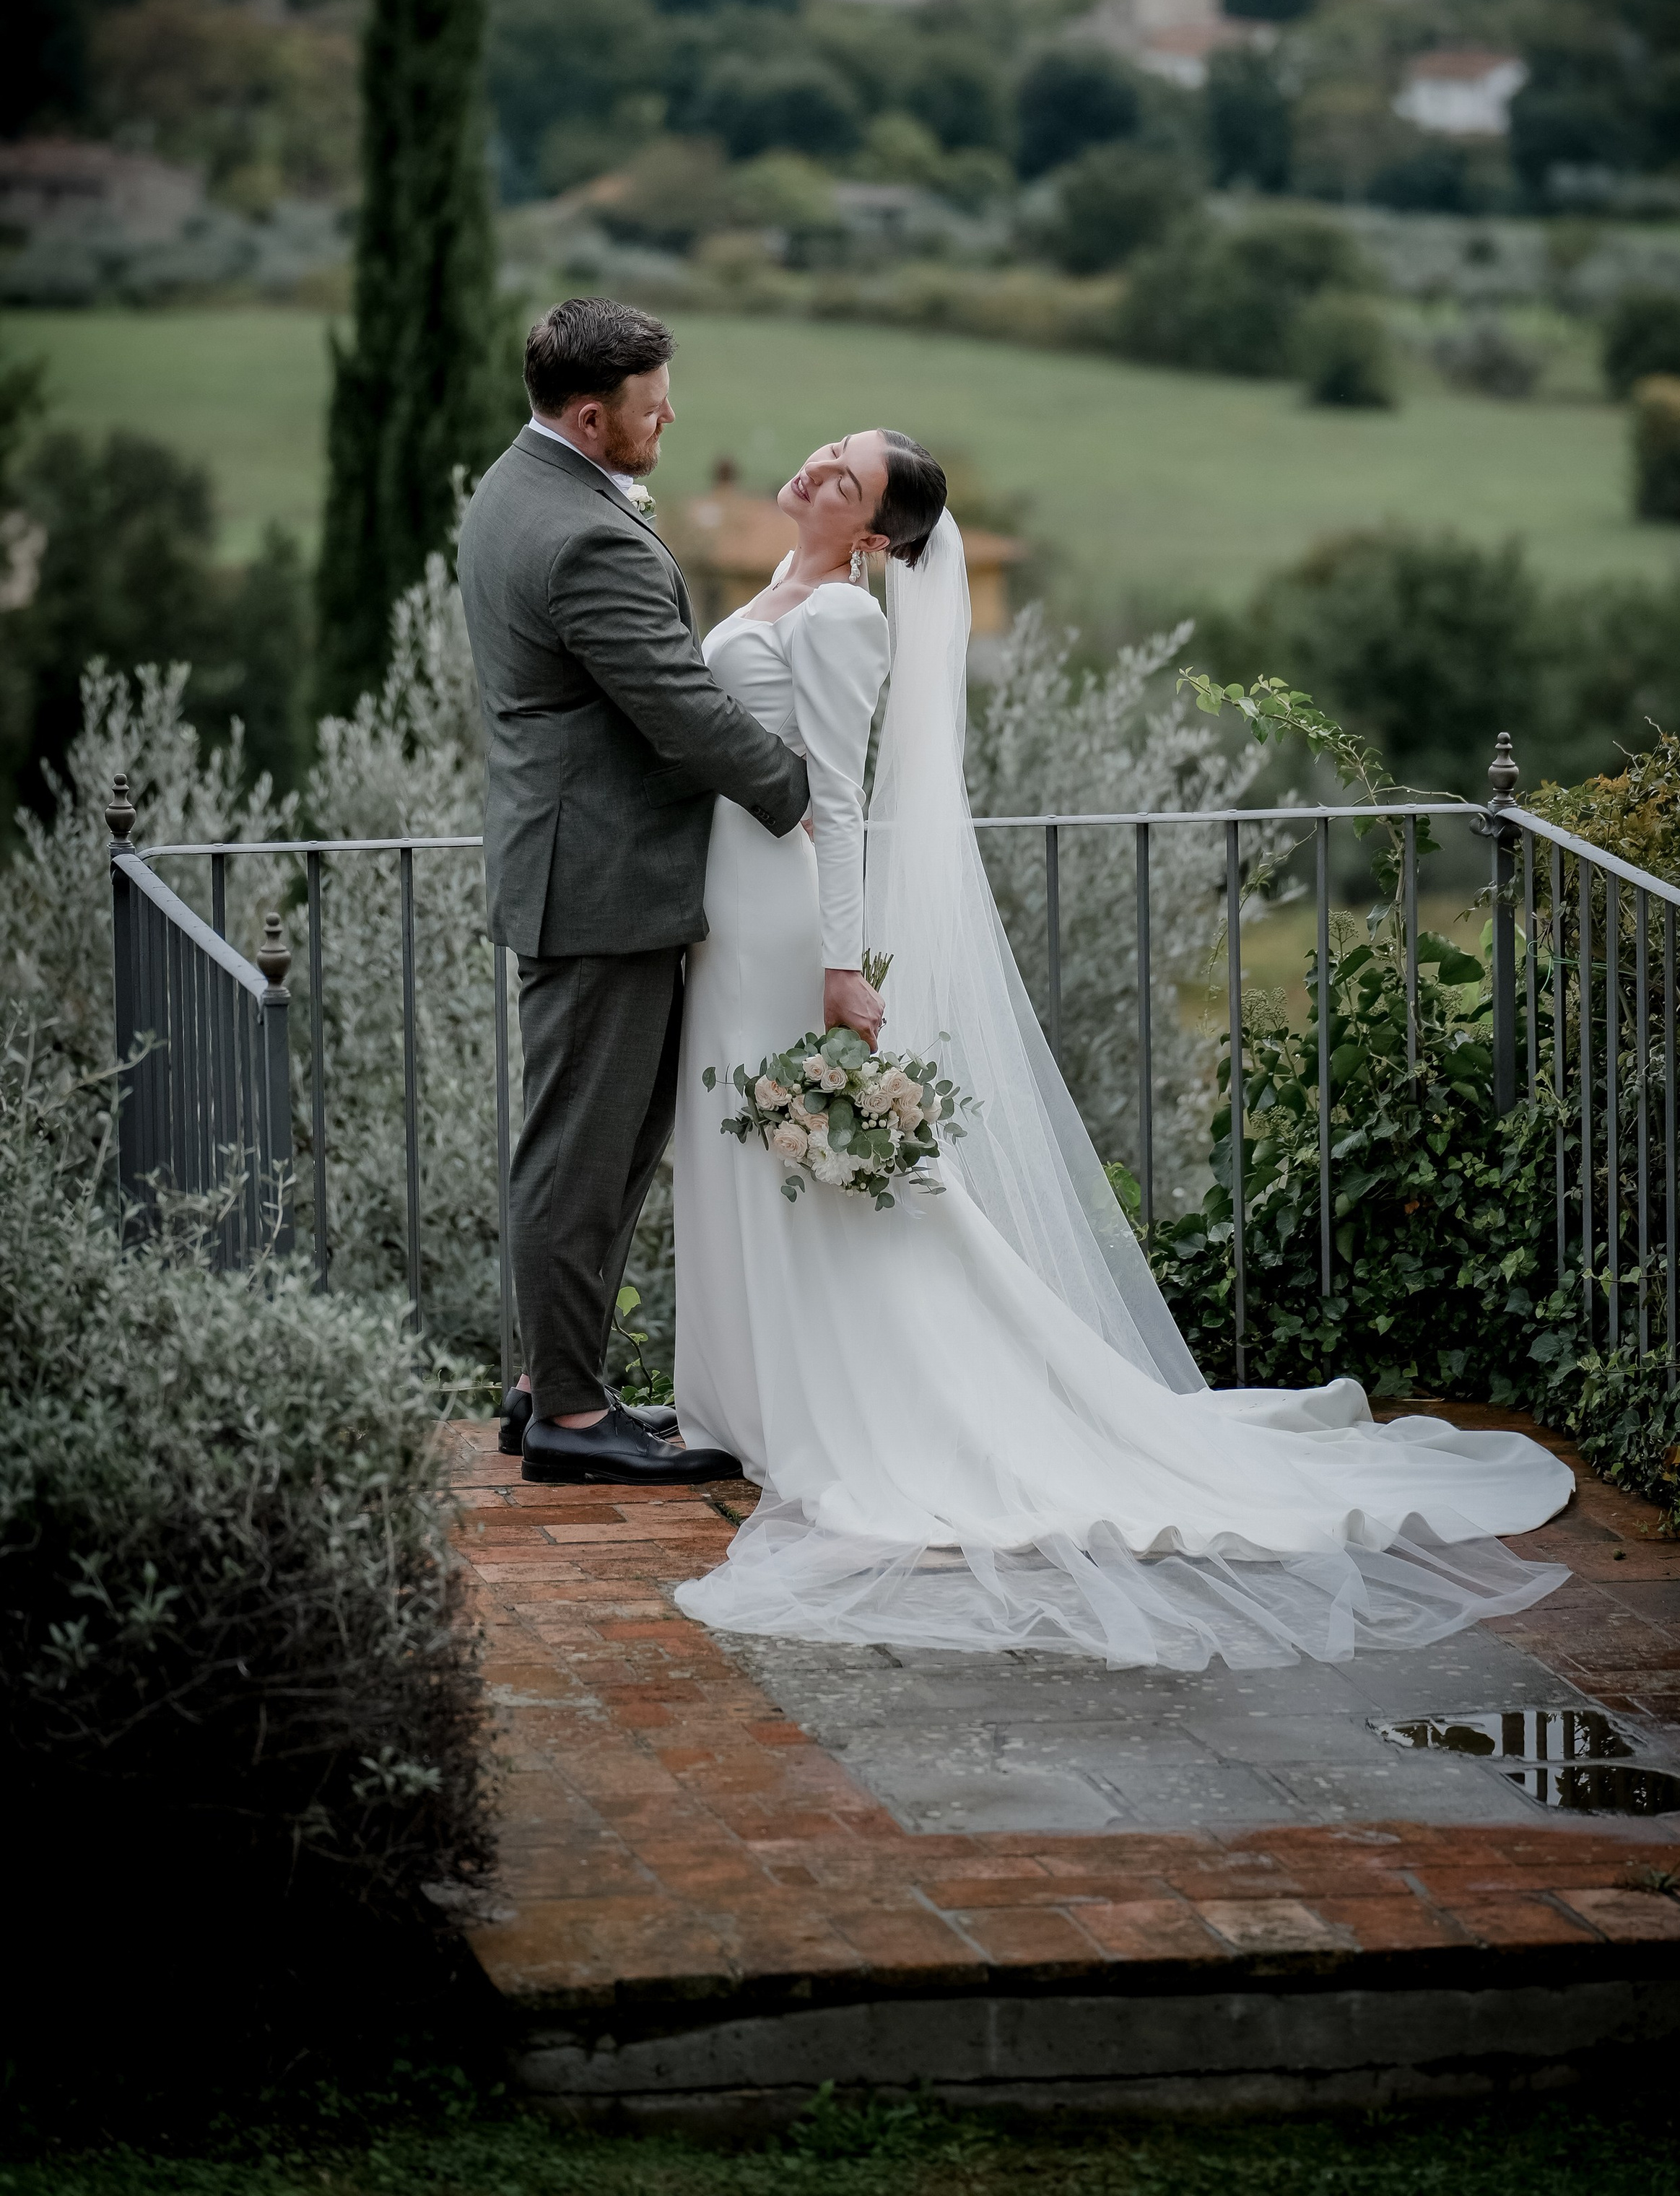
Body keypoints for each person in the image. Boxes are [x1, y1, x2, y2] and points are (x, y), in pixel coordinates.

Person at [671, 427, 1575, 1670]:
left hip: (783, 923)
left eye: (850, 477)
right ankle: (743, 1398)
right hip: (728, 913)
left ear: (874, 534)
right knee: (739, 1146)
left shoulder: (840, 617)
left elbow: (835, 795)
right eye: (833, 451)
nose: (820, 468)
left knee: (792, 1152)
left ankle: (822, 1405)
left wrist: (841, 961)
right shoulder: (783, 584)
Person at [457, 298, 809, 1487]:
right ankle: (567, 1413)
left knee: (594, 1148)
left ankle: (550, 1385)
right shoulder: (583, 536)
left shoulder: (517, 487)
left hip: (579, 865)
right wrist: (793, 790)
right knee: (584, 1155)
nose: (671, 420)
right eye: (652, 408)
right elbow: (676, 706)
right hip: (601, 879)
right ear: (589, 416)